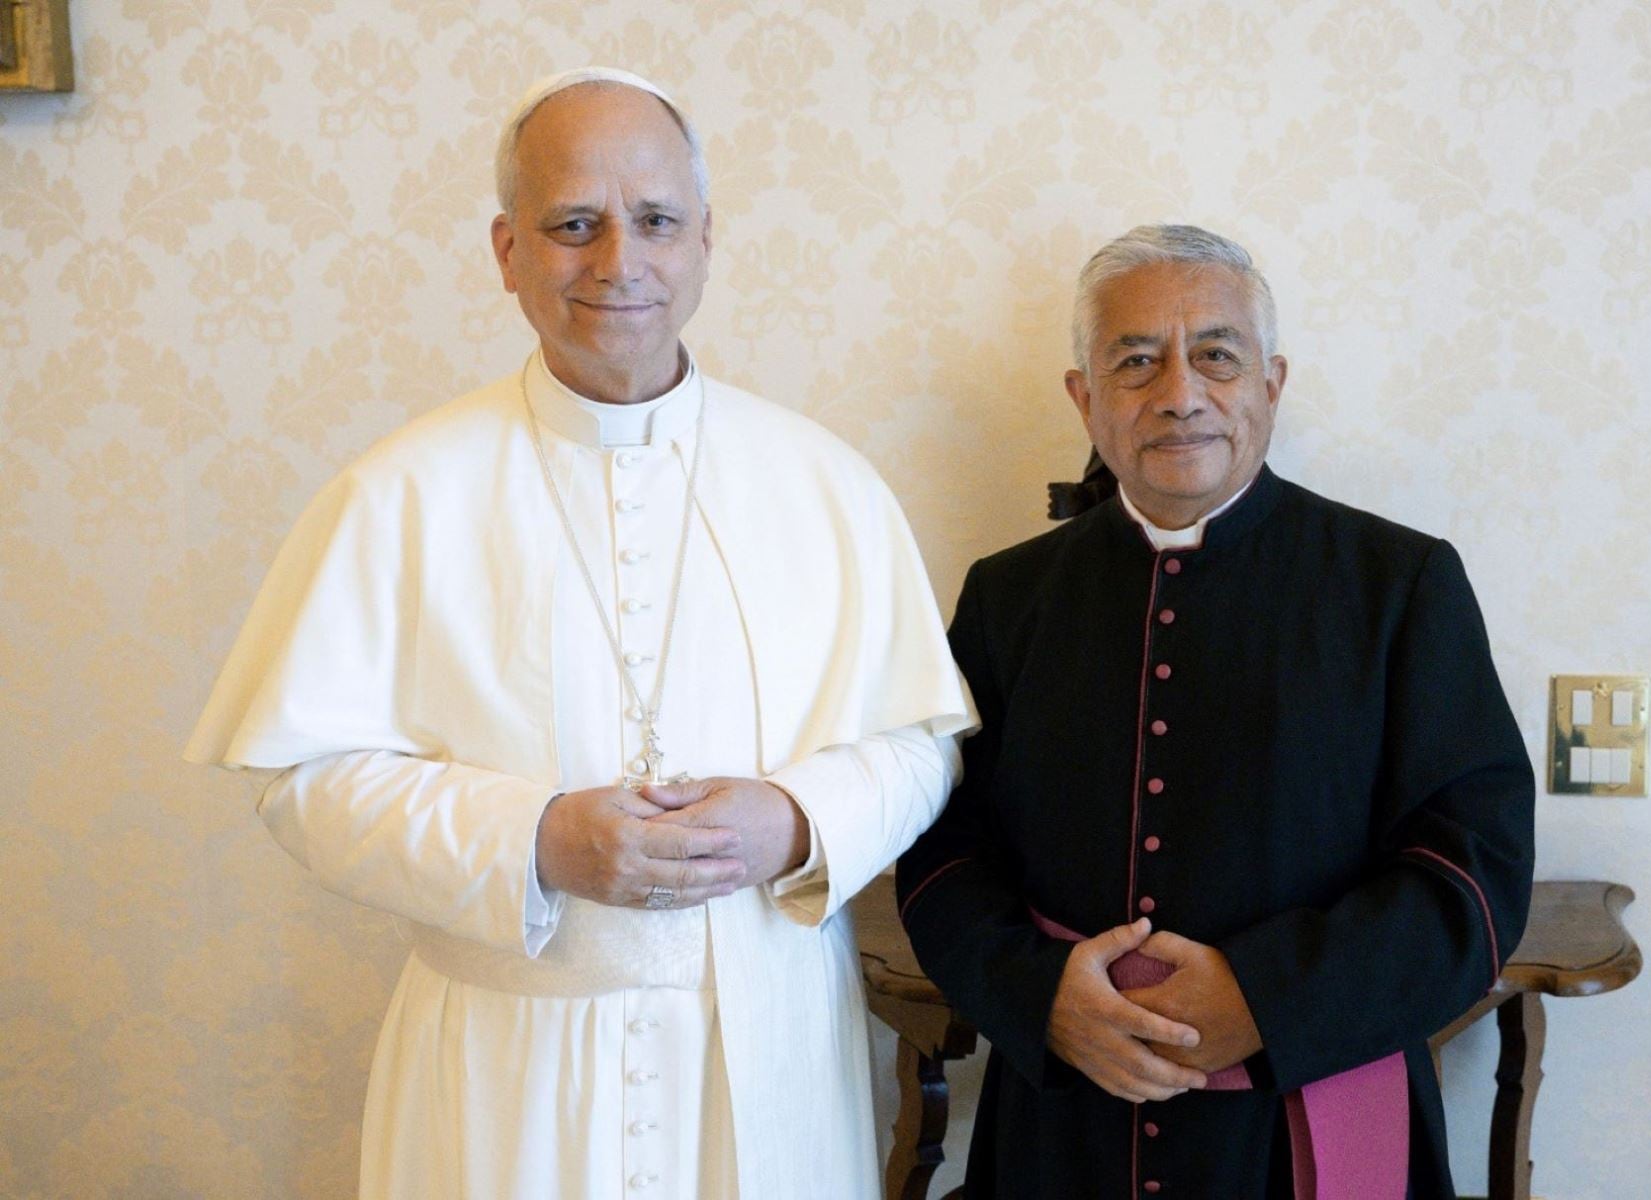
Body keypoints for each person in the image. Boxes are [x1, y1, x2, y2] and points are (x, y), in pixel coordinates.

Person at [185, 66, 973, 1199]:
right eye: (573, 226)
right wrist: (536, 839)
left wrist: (795, 819)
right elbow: (302, 779)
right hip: (508, 1068)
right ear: (507, 251)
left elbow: (918, 743)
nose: (619, 262)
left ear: (707, 240)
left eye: (655, 221)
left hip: (769, 1054)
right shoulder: (401, 492)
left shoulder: (825, 484)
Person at [895, 224, 1535, 1199]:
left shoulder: (1399, 584)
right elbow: (940, 847)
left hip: (1304, 1125)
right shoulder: (1007, 597)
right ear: (1085, 397)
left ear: (1271, 384)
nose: (1180, 393)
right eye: (1136, 360)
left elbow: (1473, 873)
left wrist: (1268, 1002)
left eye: (1217, 356)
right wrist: (1043, 999)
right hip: (1067, 1131)